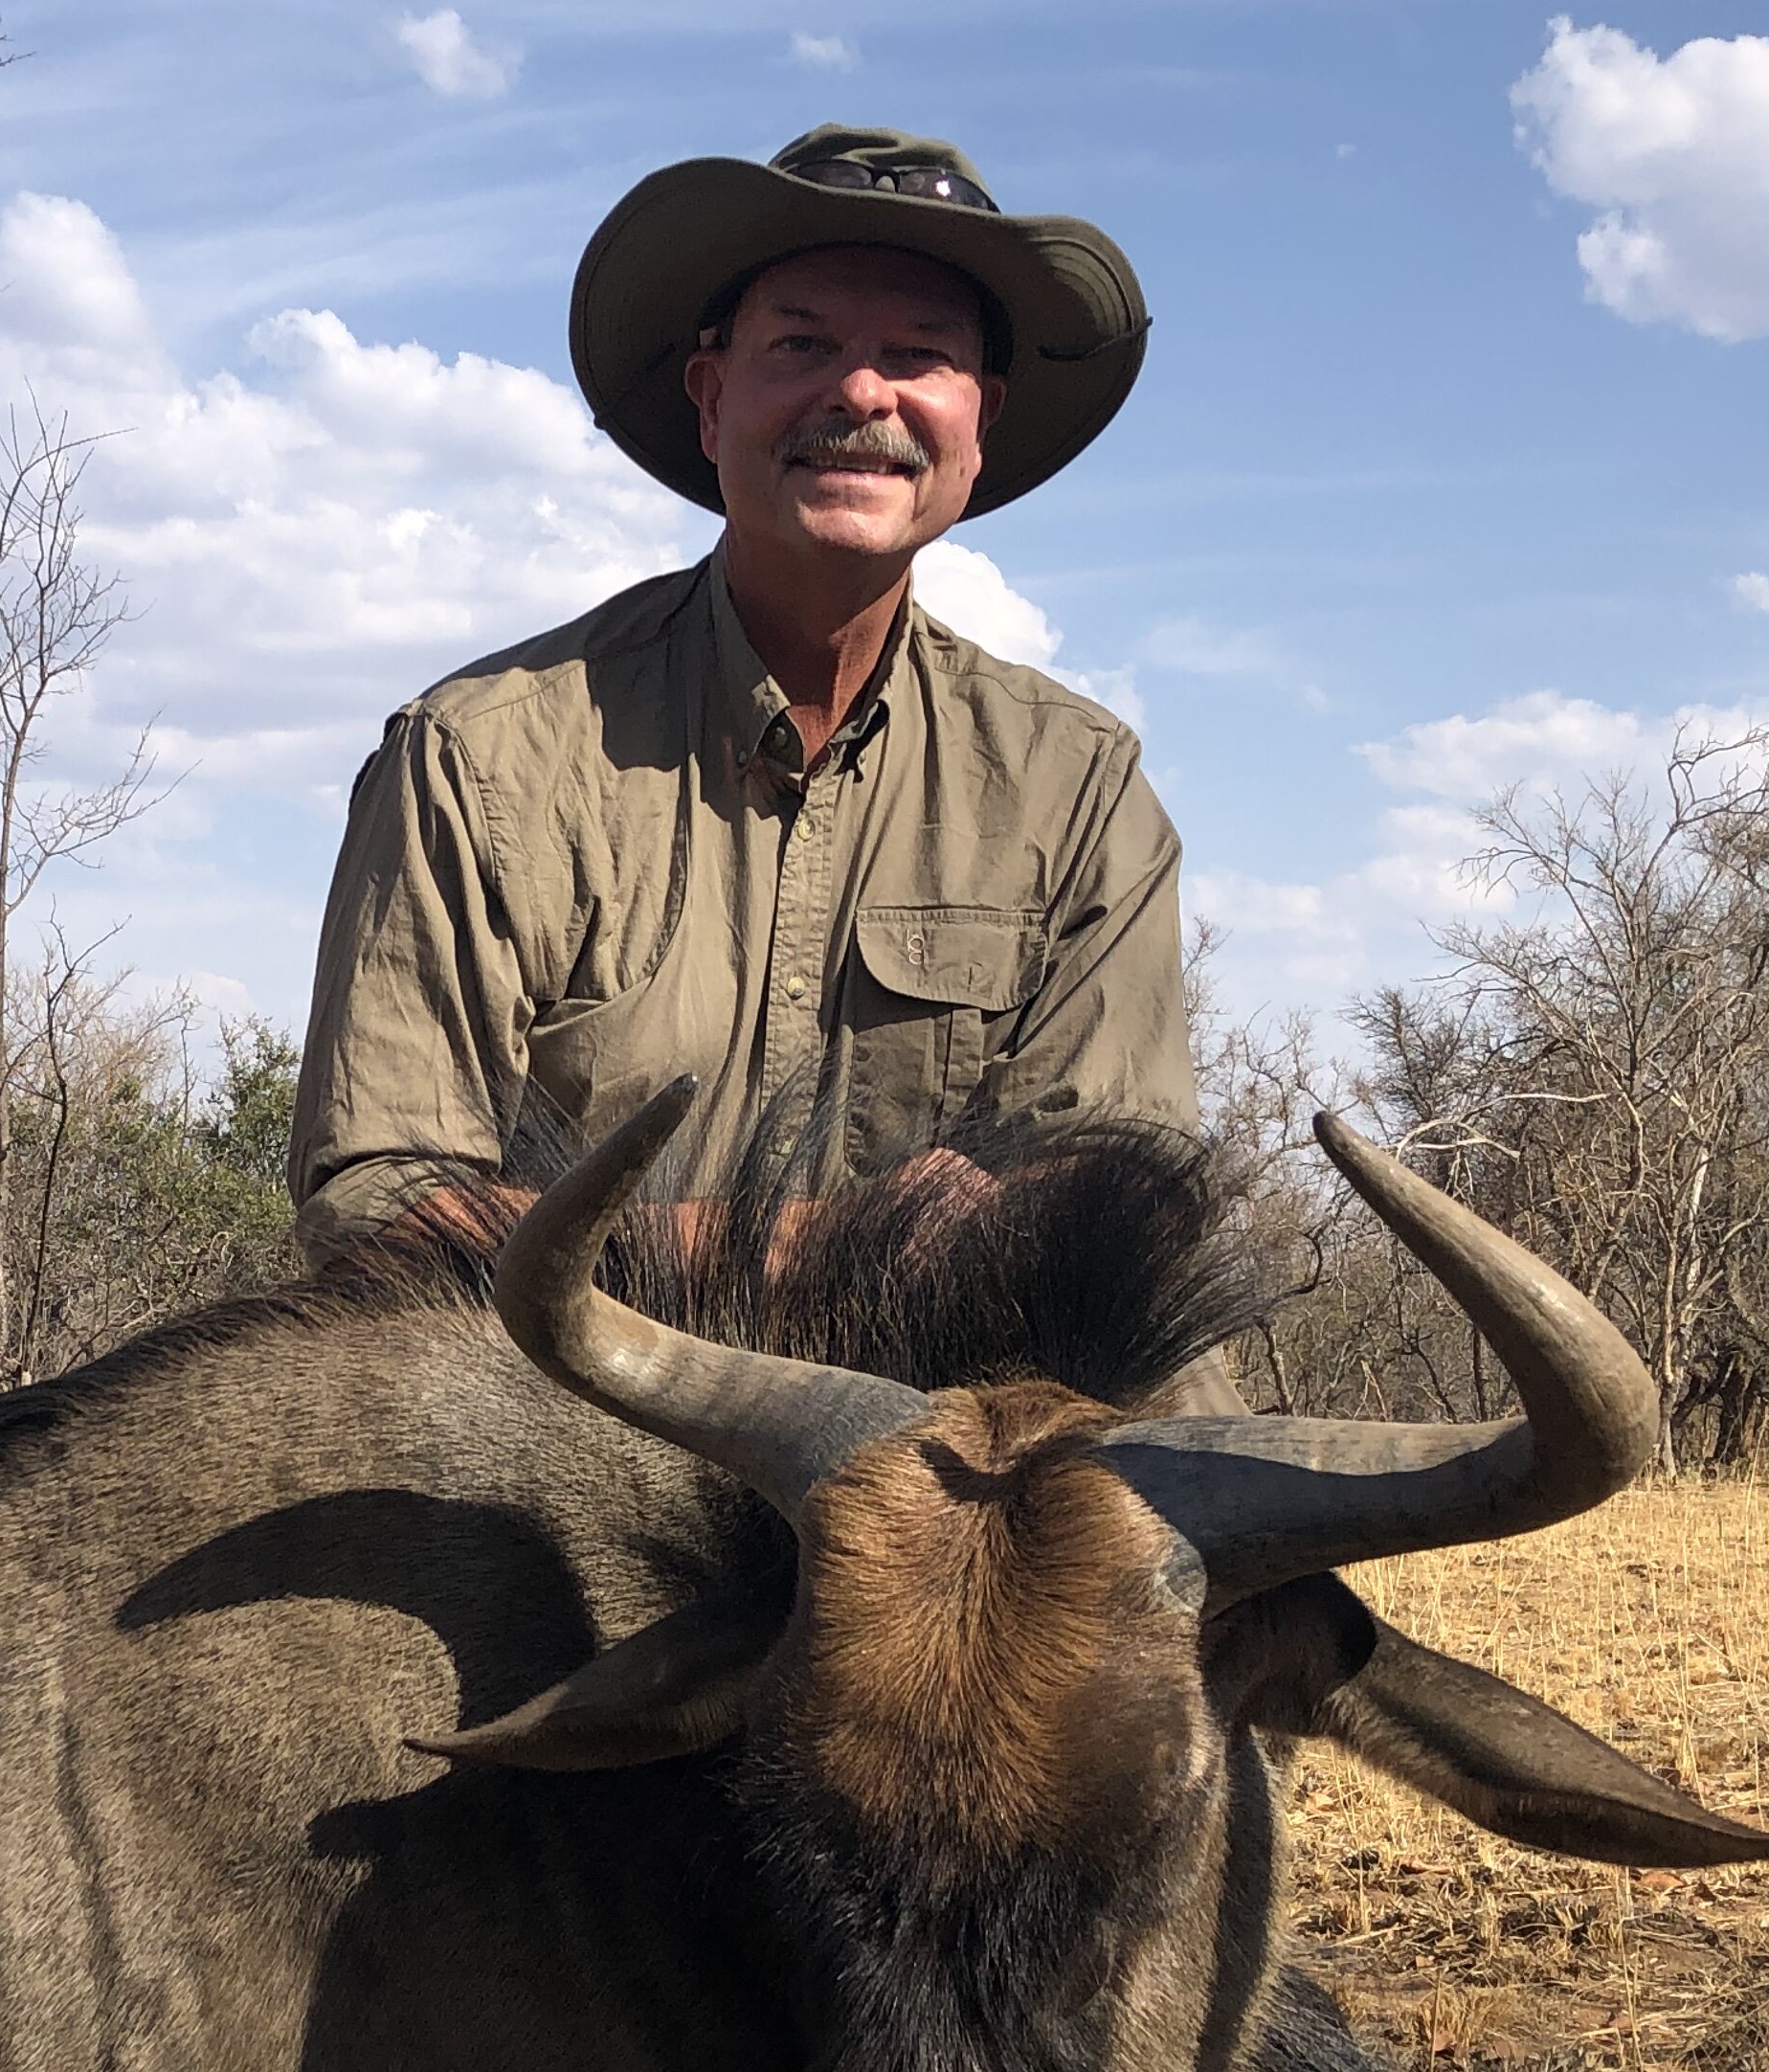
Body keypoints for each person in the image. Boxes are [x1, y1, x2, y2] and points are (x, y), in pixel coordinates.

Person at [288, 124, 1186, 1267]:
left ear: (981, 423)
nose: (862, 390)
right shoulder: (479, 755)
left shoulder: (1080, 785)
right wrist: (808, 1250)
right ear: (711, 401)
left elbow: (1110, 1194)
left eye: (919, 356)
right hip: (562, 1417)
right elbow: (382, 1206)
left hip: (958, 1426)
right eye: (802, 345)